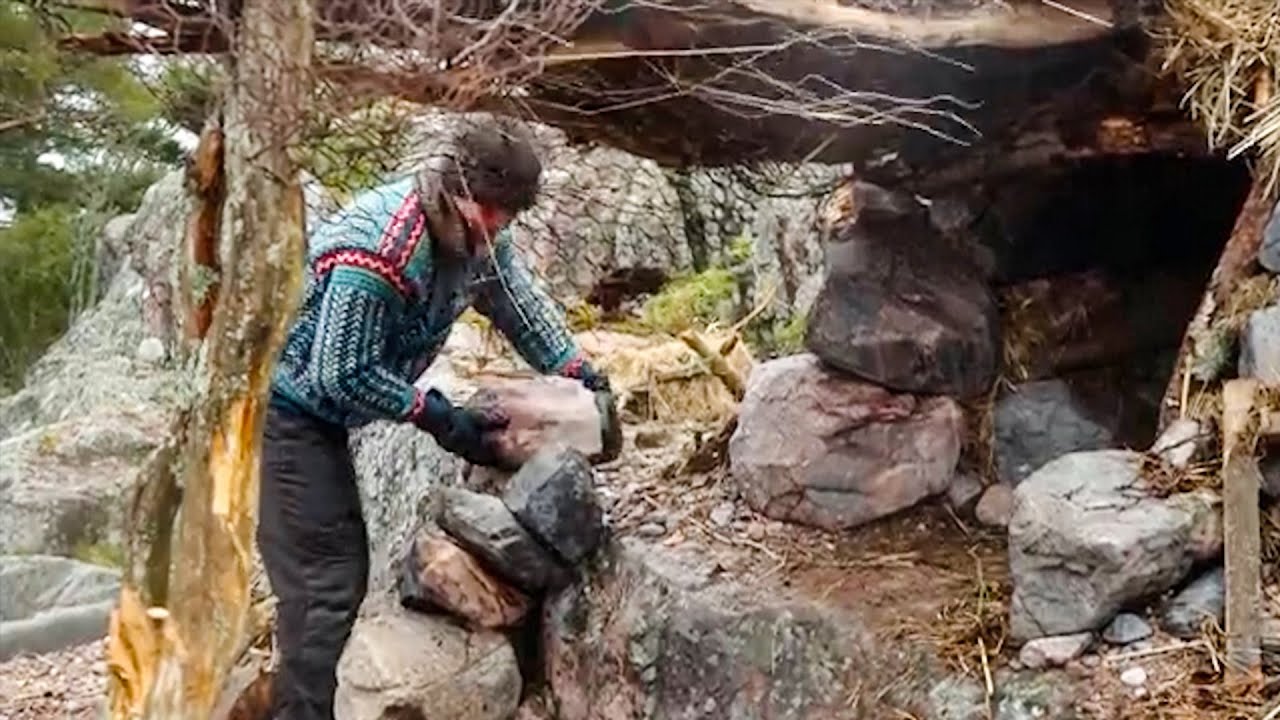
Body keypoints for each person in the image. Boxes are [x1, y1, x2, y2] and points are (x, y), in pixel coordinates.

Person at [256, 115, 611, 720]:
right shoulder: (380, 250)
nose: (499, 226)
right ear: (459, 188)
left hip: (332, 415)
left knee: (336, 578)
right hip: (290, 412)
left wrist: (579, 372)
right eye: (492, 211)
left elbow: (519, 307)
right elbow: (339, 373)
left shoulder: (482, 240)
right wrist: (434, 414)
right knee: (328, 584)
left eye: (510, 216)